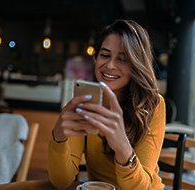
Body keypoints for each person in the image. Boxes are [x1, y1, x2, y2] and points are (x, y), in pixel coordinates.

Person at [48, 19, 166, 190]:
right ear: (95, 58)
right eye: (104, 55)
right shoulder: (86, 102)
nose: (110, 65)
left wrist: (122, 147)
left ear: (136, 65)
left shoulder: (153, 105)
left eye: (123, 59)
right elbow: (61, 182)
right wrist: (58, 137)